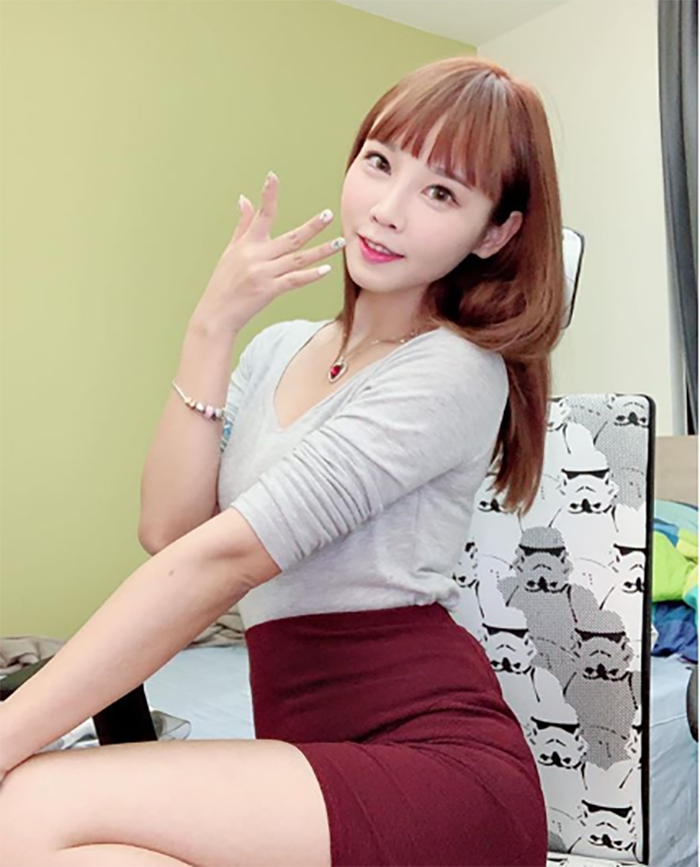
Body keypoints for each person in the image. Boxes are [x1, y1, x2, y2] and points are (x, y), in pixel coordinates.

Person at [0, 55, 565, 866]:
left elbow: (225, 559)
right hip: (310, 758)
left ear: (495, 232)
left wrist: (10, 731)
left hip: (439, 773)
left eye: (442, 193)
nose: (389, 210)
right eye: (380, 162)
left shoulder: (453, 370)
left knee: (30, 799)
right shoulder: (279, 348)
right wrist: (211, 326)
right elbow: (170, 531)